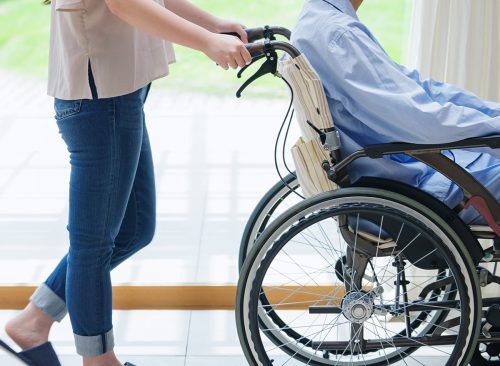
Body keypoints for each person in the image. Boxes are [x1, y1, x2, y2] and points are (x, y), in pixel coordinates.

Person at [1, 0, 251, 365]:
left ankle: (33, 321)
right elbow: (124, 3)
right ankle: (99, 360)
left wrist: (212, 25)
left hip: (119, 92)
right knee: (93, 245)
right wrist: (205, 41)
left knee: (133, 229)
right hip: (100, 98)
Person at [292, 0, 500, 224]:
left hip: (399, 175)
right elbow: (423, 122)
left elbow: (417, 88)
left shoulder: (318, 19)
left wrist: (492, 114)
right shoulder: (338, 35)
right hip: (409, 189)